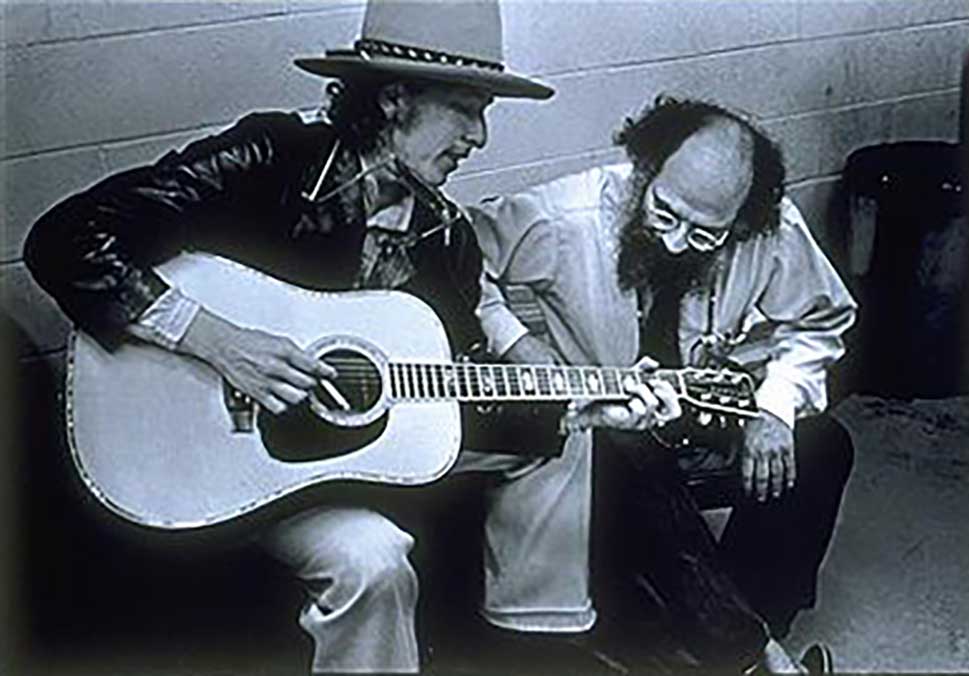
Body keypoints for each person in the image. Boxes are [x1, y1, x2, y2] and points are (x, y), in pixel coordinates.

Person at [22, 2, 678, 674]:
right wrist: (217, 340)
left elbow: (443, 396)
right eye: (465, 108)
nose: (479, 137)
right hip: (184, 448)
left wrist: (567, 405)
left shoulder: (445, 240)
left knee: (376, 560)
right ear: (395, 99)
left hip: (315, 475)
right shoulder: (271, 158)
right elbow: (66, 239)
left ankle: (531, 647)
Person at [473, 95, 857, 673]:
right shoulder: (564, 213)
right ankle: (754, 660)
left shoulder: (767, 226)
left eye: (706, 235)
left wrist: (775, 407)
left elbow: (821, 318)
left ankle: (747, 628)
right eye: (665, 214)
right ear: (645, 172)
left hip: (702, 405)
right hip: (610, 430)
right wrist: (519, 344)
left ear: (743, 218)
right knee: (630, 451)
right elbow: (458, 263)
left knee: (824, 447)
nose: (677, 243)